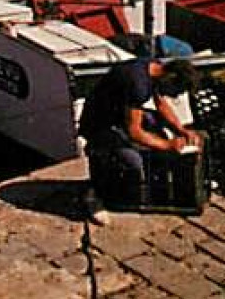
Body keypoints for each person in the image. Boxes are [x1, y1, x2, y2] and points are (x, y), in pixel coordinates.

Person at [79, 57, 202, 210]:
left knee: (152, 121)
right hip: (99, 125)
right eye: (176, 91)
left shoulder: (153, 67)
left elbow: (161, 104)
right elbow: (134, 132)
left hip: (117, 114)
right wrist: (168, 145)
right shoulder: (138, 85)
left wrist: (181, 129)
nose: (175, 96)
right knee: (132, 161)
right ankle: (101, 189)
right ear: (171, 77)